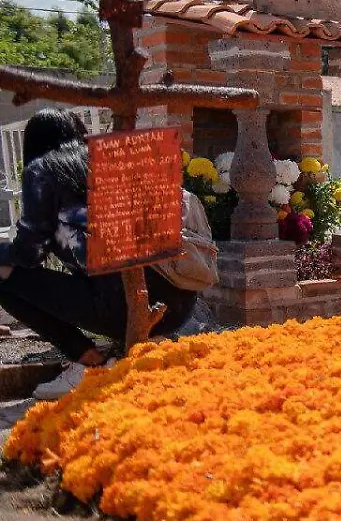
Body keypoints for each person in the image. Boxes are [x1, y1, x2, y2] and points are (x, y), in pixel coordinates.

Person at [0, 109, 199, 400]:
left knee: (4, 279)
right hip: (178, 303)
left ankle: (87, 360)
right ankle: (138, 343)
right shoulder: (111, 161)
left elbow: (29, 254)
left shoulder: (42, 170)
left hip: (126, 309)